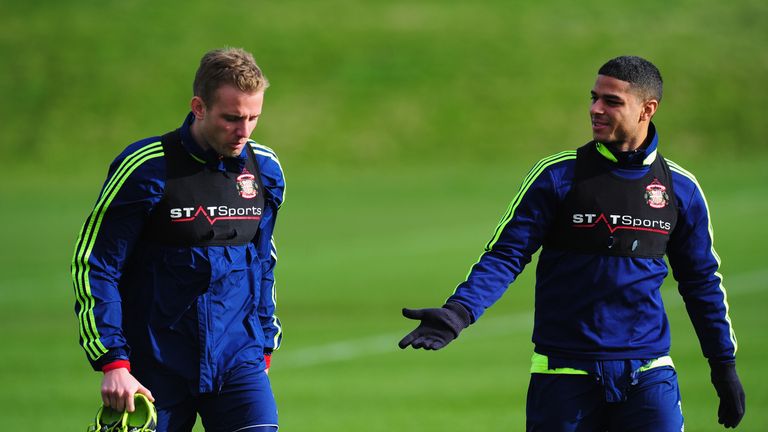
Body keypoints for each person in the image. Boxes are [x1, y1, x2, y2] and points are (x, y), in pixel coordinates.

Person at [399, 56, 745, 430]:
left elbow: (701, 283)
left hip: (648, 374)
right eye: (593, 98)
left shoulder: (681, 189)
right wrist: (458, 313)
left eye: (611, 102)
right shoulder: (557, 176)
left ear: (648, 109)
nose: (595, 109)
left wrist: (722, 365)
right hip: (563, 375)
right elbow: (506, 255)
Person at [72, 47, 285, 432]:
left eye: (254, 117)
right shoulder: (146, 167)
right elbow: (96, 264)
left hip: (239, 361)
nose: (244, 131)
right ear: (199, 107)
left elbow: (263, 260)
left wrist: (265, 342)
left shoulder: (265, 169)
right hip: (155, 368)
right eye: (232, 118)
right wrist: (113, 362)